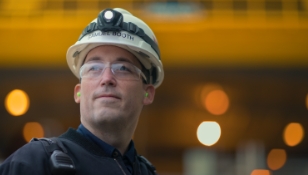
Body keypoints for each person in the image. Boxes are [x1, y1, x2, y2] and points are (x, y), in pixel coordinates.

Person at [0, 8, 164, 175]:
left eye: (123, 68)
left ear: (148, 93)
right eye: (94, 68)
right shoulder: (33, 163)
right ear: (78, 92)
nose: (107, 78)